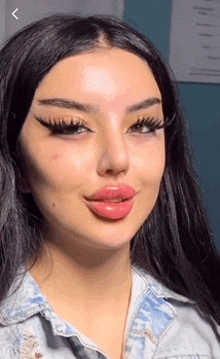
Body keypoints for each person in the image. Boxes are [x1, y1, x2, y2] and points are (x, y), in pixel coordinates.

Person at [0, 13, 220, 359]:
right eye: (72, 126)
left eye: (144, 125)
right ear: (15, 158)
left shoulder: (205, 329)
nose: (118, 159)